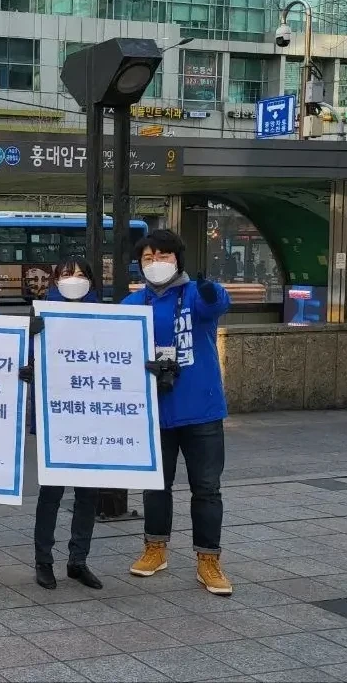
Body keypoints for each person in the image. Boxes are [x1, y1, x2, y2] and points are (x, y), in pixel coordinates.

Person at [122, 229, 233, 596]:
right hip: (154, 410)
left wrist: (210, 289)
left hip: (201, 410)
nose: (155, 263)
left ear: (178, 260)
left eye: (163, 256)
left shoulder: (195, 295)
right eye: (148, 258)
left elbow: (218, 303)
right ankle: (155, 548)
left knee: (207, 488)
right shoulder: (133, 303)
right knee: (156, 485)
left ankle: (208, 559)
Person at [31, 256, 103, 591]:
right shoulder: (40, 314)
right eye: (66, 274)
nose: (73, 279)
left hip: (92, 417)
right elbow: (24, 358)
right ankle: (43, 561)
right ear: (55, 281)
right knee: (51, 494)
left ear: (91, 280)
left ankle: (78, 561)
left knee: (88, 494)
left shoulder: (106, 316)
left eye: (80, 274)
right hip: (56, 418)